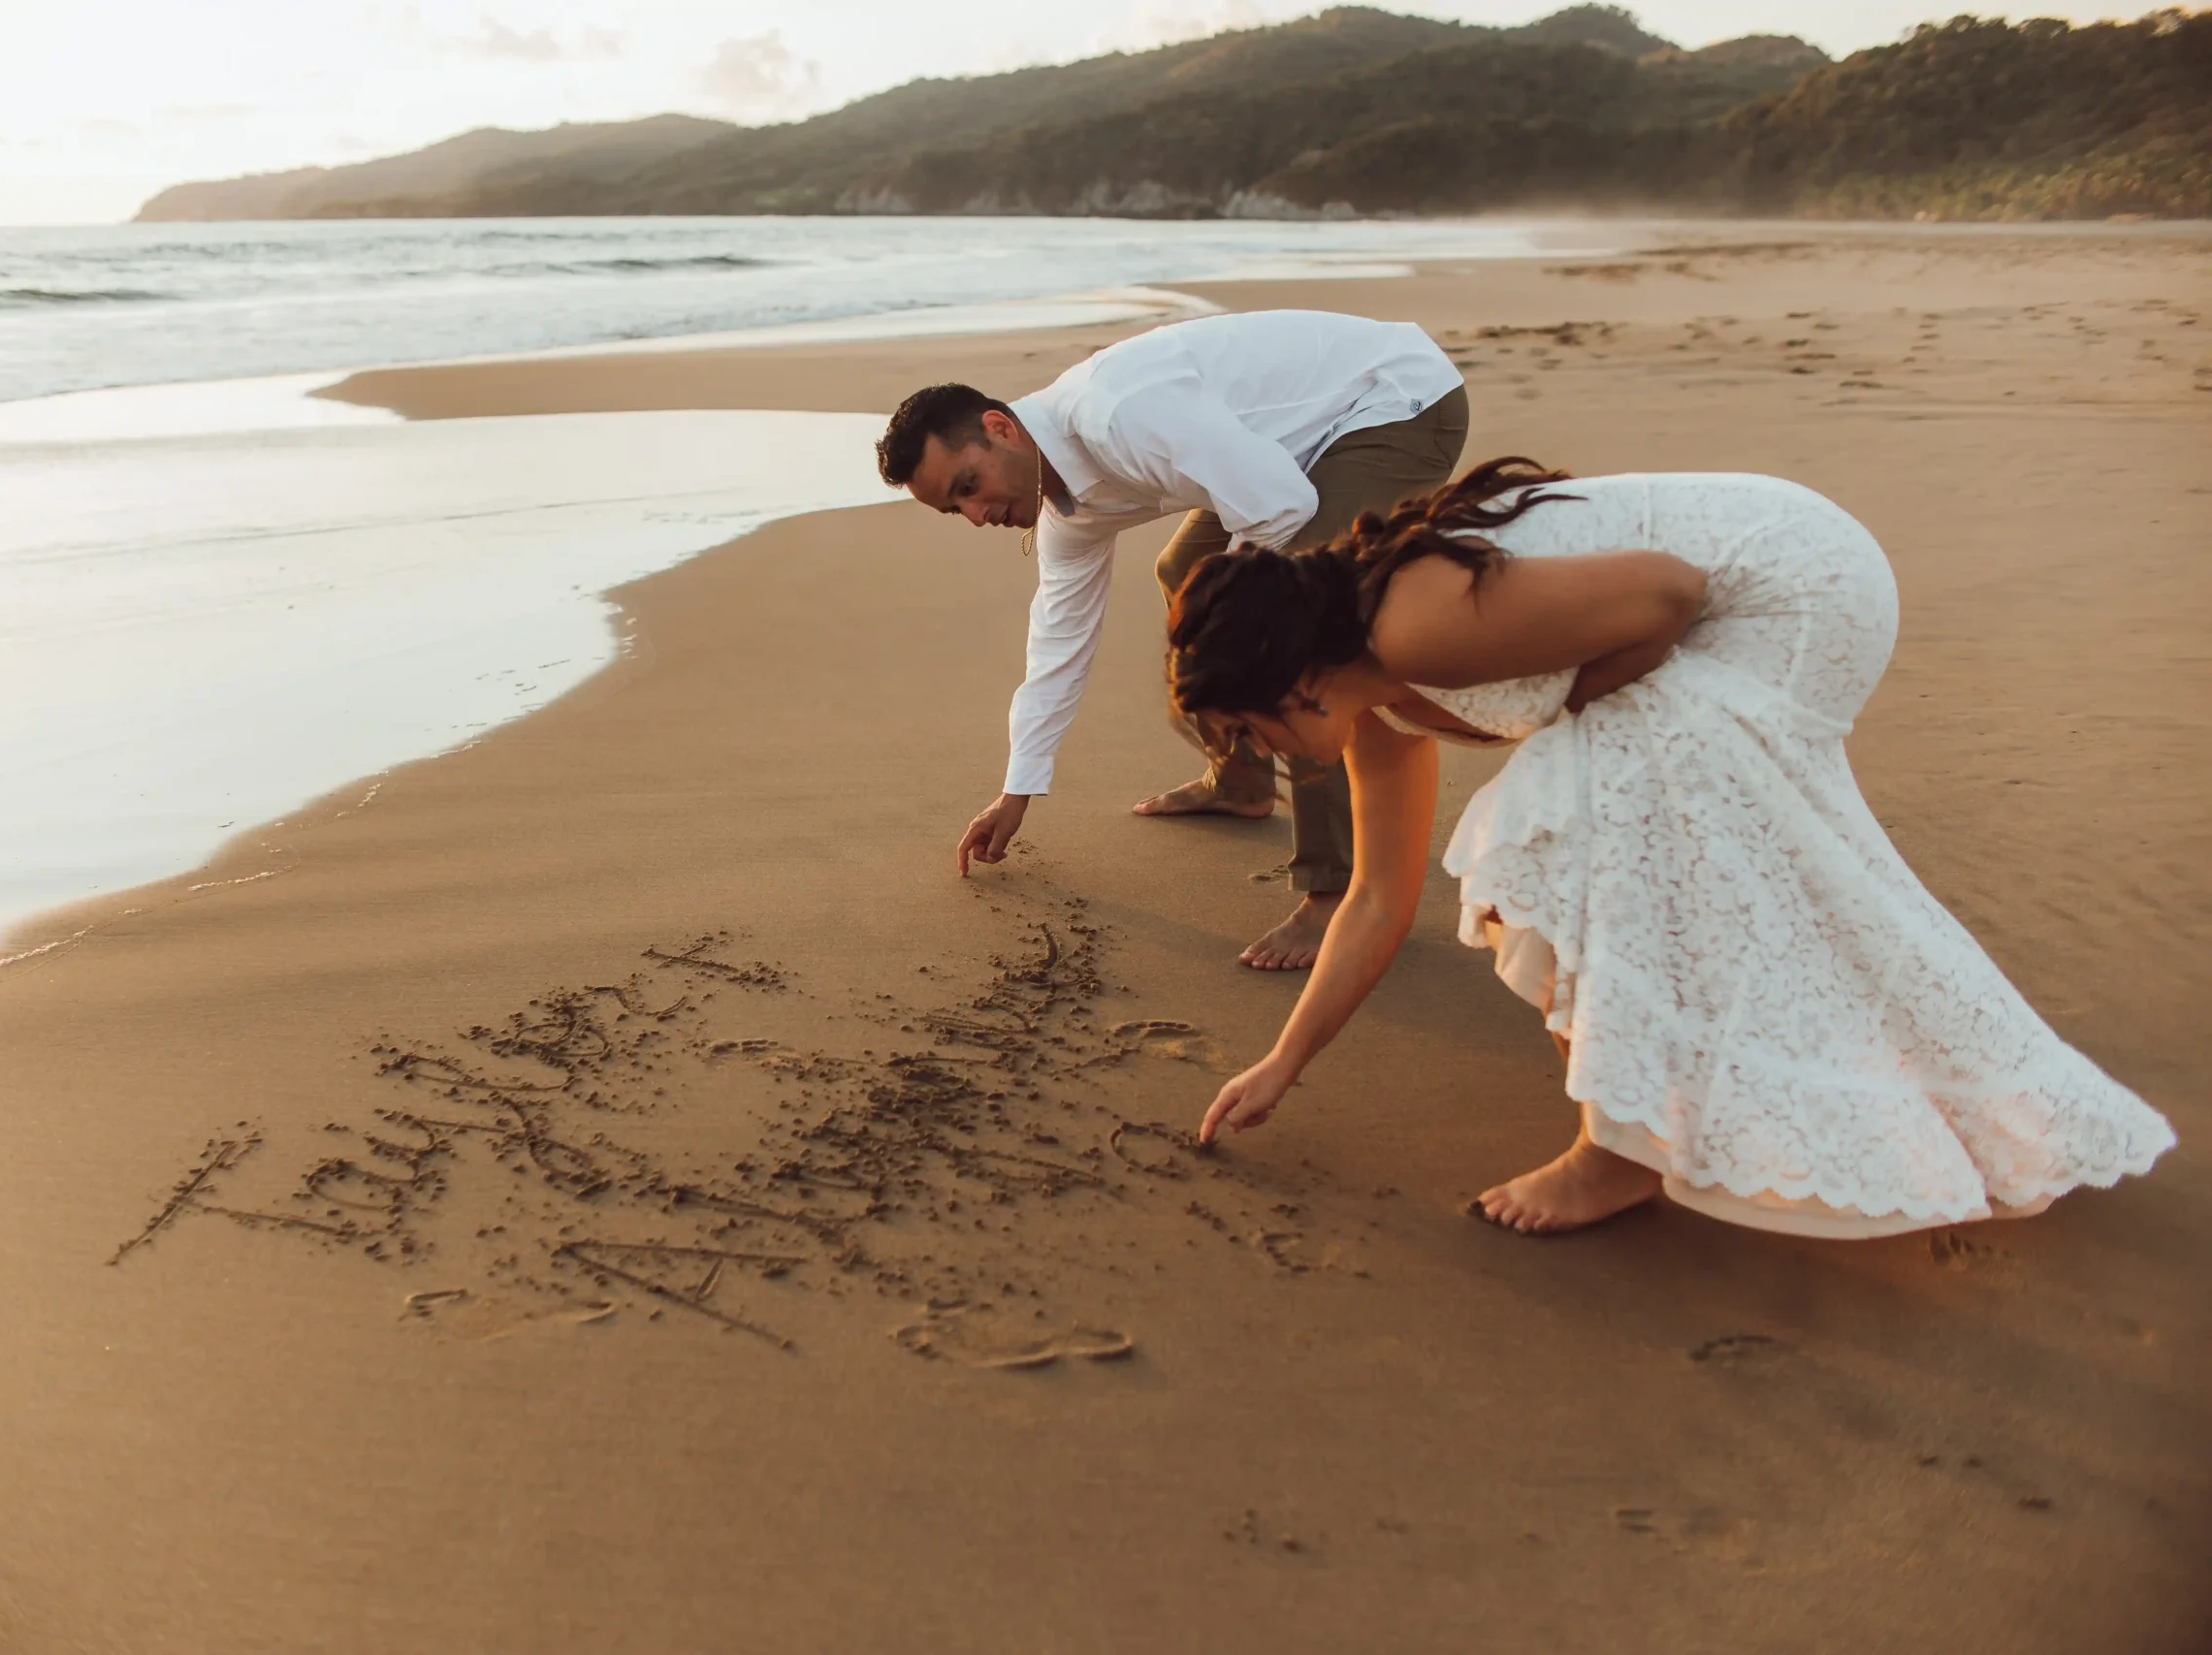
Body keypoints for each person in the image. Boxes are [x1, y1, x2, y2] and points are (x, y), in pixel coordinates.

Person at [1166, 459, 2174, 1236]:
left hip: (1792, 592)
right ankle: (1774, 1102)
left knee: (1556, 821)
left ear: (1292, 678)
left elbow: (1668, 593)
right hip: (1731, 610)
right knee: (1606, 816)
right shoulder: (1381, 704)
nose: (1250, 749)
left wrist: (1580, 723)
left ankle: (1618, 1151)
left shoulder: (1413, 625)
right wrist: (1281, 1065)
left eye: (1246, 727)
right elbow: (1377, 900)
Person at [877, 309, 1468, 970]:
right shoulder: (1063, 502)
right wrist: (1015, 792)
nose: (977, 515)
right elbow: (1057, 647)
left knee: (1288, 630)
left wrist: (1247, 621)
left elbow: (1283, 509)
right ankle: (1242, 780)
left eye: (969, 487)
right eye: (954, 509)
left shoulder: (1120, 418)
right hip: (1282, 445)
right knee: (1185, 573)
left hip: (1395, 404)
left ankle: (1336, 889)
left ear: (999, 428)